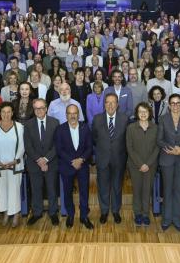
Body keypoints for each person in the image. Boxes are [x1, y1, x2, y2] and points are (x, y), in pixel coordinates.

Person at [157, 94, 180, 231]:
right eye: (172, 103)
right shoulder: (162, 119)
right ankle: (166, 219)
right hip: (167, 158)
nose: (175, 106)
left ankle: (177, 219)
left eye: (178, 103)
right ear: (169, 105)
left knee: (178, 190)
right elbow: (159, 140)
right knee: (167, 190)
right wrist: (172, 149)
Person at [55, 104, 93, 229]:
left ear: (78, 114)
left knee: (84, 191)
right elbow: (59, 150)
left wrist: (81, 159)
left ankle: (84, 216)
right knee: (67, 192)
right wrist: (72, 161)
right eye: (70, 113)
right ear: (66, 115)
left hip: (82, 165)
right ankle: (70, 215)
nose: (72, 115)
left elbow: (89, 147)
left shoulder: (85, 127)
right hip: (67, 165)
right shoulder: (60, 129)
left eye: (75, 113)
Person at [92, 93, 128, 224]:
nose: (110, 105)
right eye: (108, 102)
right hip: (103, 158)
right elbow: (94, 138)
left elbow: (127, 140)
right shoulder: (97, 119)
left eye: (113, 102)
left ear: (117, 105)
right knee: (103, 186)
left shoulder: (125, 119)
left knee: (117, 187)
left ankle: (116, 211)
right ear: (104, 104)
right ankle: (104, 211)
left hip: (119, 159)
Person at [24, 98, 60, 226]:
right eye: (36, 108)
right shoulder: (28, 125)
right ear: (33, 110)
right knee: (36, 189)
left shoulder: (55, 122)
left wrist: (46, 159)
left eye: (41, 108)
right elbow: (27, 146)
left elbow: (57, 144)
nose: (39, 110)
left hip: (51, 162)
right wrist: (39, 160)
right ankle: (37, 213)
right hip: (34, 163)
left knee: (52, 189)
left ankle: (53, 213)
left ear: (46, 108)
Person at [0, 102, 25, 228]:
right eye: (3, 112)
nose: (6, 114)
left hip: (14, 165)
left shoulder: (19, 127)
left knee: (14, 190)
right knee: (2, 189)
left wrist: (15, 160)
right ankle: (5, 212)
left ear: (13, 113)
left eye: (9, 112)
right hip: (0, 165)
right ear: (0, 113)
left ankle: (15, 214)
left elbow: (22, 146)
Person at [126, 102, 159, 226]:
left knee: (147, 190)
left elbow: (157, 147)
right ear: (137, 114)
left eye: (145, 111)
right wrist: (140, 164)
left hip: (151, 165)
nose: (143, 114)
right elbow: (129, 148)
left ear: (149, 113)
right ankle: (138, 213)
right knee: (137, 189)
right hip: (135, 165)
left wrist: (148, 163)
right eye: (140, 111)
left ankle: (145, 214)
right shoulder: (131, 128)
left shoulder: (155, 128)